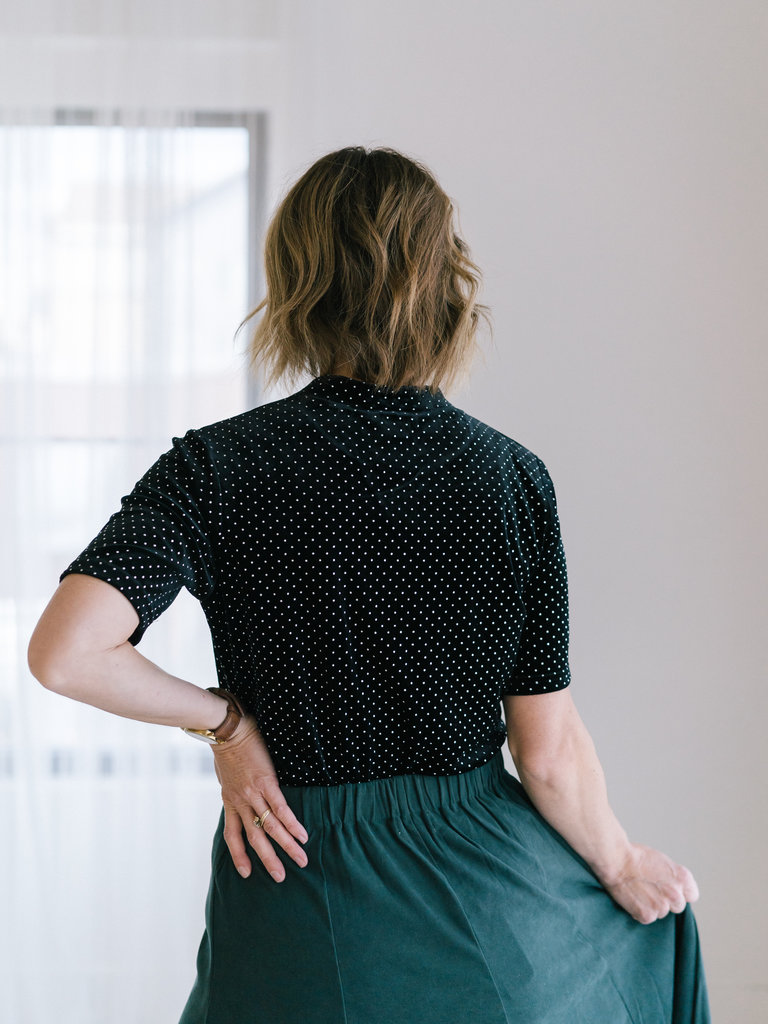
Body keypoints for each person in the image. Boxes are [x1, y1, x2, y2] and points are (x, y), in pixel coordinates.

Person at [28, 145, 711, 1023]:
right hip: (480, 893)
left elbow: (66, 653)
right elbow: (545, 750)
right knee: (660, 950)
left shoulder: (215, 467)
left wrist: (228, 727)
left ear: (294, 287)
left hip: (291, 870)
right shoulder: (509, 478)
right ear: (445, 286)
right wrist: (620, 866)